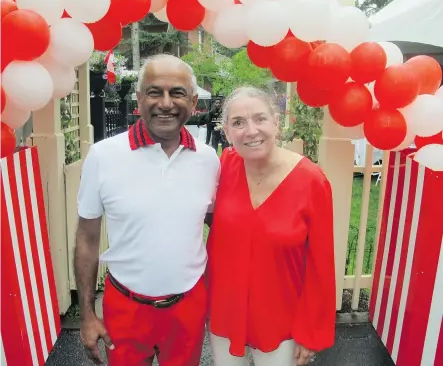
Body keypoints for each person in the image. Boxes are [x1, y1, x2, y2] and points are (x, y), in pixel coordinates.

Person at [74, 54, 220, 366]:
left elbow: (220, 227)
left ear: (193, 102)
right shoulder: (103, 156)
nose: (166, 103)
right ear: (138, 99)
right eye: (155, 92)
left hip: (188, 306)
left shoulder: (209, 160)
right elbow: (87, 238)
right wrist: (86, 314)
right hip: (125, 305)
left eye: (177, 93)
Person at [206, 87, 336, 366]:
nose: (250, 131)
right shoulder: (223, 168)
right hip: (226, 311)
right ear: (226, 131)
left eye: (260, 119)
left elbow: (320, 265)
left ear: (276, 122)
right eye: (238, 122)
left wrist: (309, 330)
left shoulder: (312, 182)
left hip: (281, 318)